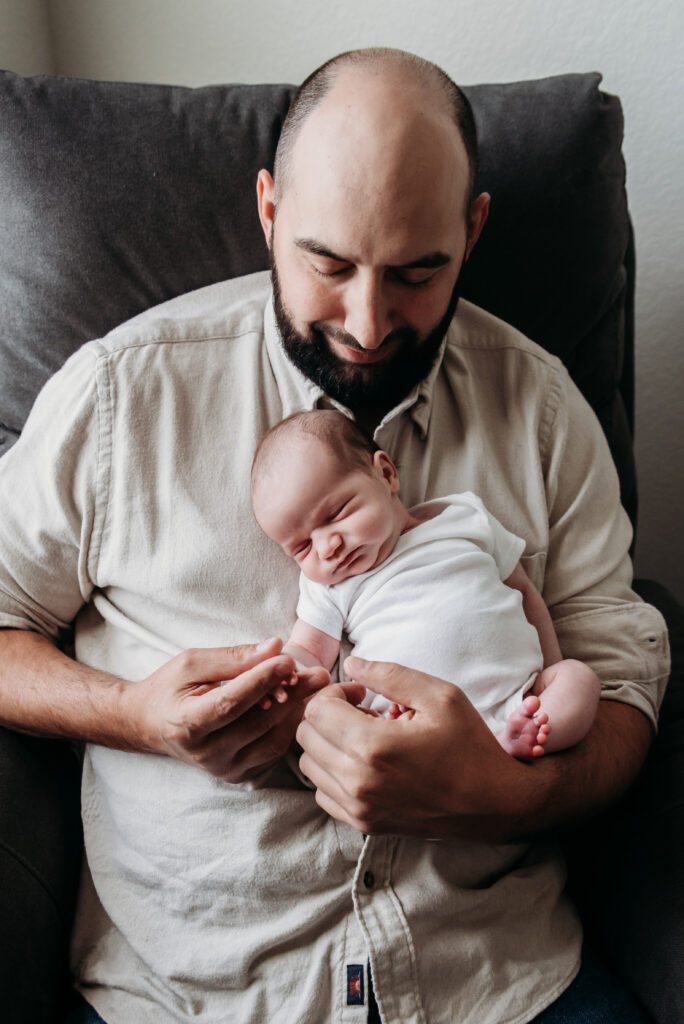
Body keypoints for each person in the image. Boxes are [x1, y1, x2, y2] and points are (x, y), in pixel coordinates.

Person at [0, 46, 669, 1024]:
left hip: (498, 982)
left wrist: (500, 792)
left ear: (473, 229)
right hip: (198, 992)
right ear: (270, 211)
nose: (366, 321)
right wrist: (135, 713)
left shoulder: (541, 408)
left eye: (416, 271)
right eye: (328, 263)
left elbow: (624, 678)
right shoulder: (120, 396)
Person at [251, 408, 601, 760]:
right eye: (302, 546)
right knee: (358, 734)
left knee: (578, 679)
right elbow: (310, 652)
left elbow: (524, 593)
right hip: (412, 721)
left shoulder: (464, 517)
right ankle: (483, 751)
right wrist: (282, 672)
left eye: (336, 514)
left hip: (519, 698)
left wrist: (550, 674)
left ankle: (519, 739)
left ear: (385, 474)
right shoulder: (327, 587)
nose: (328, 547)